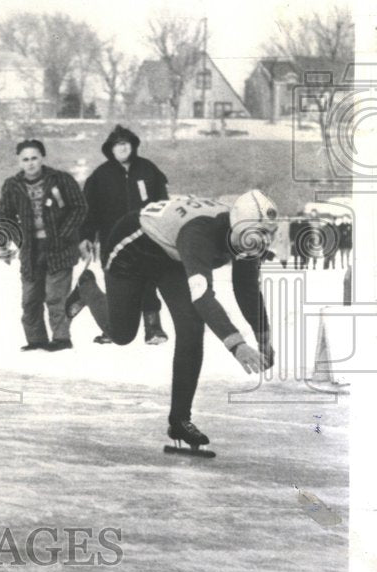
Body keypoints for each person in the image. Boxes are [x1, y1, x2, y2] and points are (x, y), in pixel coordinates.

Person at [64, 190, 277, 452]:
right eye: (258, 233)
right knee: (122, 334)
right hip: (131, 249)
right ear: (236, 224)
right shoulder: (200, 233)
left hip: (169, 254)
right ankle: (87, 286)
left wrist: (263, 336)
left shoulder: (246, 236)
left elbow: (246, 289)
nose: (262, 242)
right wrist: (236, 344)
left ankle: (180, 420)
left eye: (269, 234)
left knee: (192, 327)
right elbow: (203, 297)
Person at [80, 125, 169, 345]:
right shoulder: (100, 176)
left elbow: (163, 203)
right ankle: (104, 315)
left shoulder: (149, 170)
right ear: (110, 148)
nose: (122, 147)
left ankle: (153, 327)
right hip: (112, 241)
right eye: (118, 144)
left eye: (126, 143)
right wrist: (85, 236)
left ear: (133, 146)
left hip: (147, 238)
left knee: (149, 280)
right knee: (116, 285)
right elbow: (88, 211)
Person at [0, 138, 87, 352]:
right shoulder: (12, 185)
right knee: (30, 298)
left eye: (34, 158)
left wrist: (64, 234)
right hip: (30, 250)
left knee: (55, 296)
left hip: (59, 247)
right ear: (19, 161)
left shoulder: (60, 180)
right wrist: (20, 240)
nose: (30, 163)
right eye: (25, 159)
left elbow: (79, 207)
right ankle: (36, 340)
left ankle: (61, 338)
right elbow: (5, 216)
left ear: (42, 158)